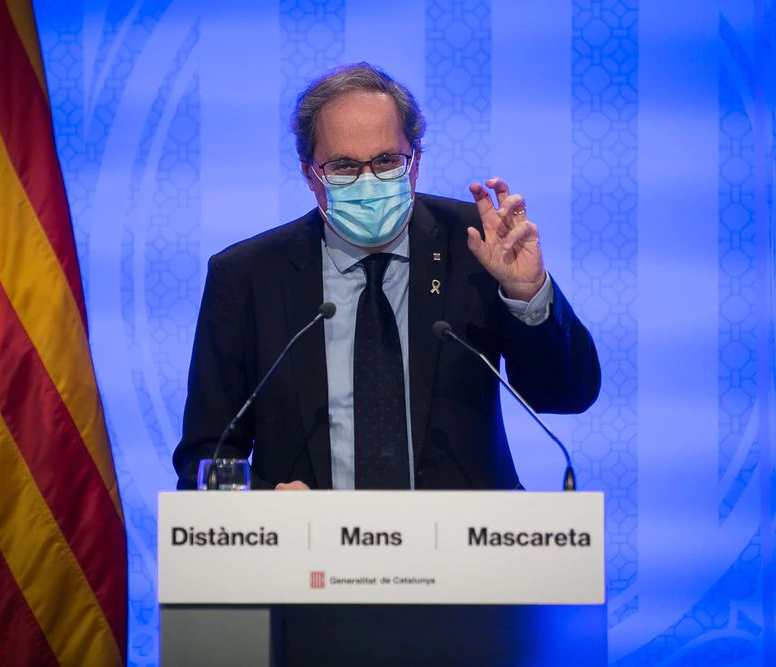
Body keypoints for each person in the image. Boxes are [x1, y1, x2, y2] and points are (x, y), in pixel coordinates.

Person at [173, 62, 600, 490]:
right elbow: (204, 461)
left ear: (415, 162)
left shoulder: (479, 244)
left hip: (468, 532)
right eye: (343, 166)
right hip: (314, 534)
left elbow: (566, 395)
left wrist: (526, 292)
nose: (369, 180)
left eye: (386, 160)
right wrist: (267, 502)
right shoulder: (247, 277)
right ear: (309, 174)